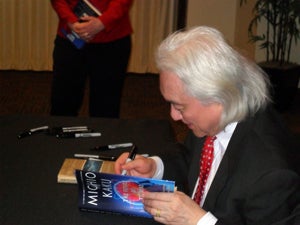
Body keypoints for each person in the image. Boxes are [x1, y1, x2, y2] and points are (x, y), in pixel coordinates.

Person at [115, 26, 300, 225]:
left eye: (179, 106)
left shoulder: (272, 175)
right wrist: (155, 167)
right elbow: (191, 158)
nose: (173, 116)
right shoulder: (215, 118)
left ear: (216, 97)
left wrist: (199, 221)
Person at [50, 0, 133, 118]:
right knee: (63, 104)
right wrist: (71, 21)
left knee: (106, 108)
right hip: (71, 38)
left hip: (112, 40)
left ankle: (103, 136)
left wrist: (102, 22)